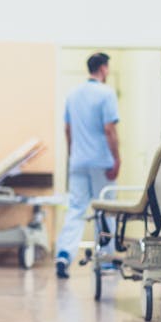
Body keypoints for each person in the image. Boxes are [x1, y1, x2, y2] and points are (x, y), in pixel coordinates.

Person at [55, 52, 120, 279]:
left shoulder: (73, 94)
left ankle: (64, 255)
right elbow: (109, 130)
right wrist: (117, 158)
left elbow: (67, 129)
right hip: (101, 162)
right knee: (105, 211)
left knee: (75, 209)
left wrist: (73, 154)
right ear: (103, 68)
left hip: (78, 161)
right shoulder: (107, 93)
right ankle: (106, 261)